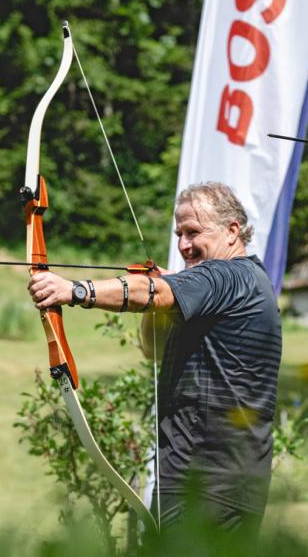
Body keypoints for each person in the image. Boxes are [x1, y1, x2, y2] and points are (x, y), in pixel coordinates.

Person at [28, 181, 282, 534]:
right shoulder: (227, 285)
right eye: (179, 233)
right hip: (201, 481)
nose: (183, 245)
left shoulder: (230, 275)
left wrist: (73, 290)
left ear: (231, 231)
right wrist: (160, 297)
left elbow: (155, 293)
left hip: (210, 485)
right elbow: (153, 348)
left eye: (193, 232)